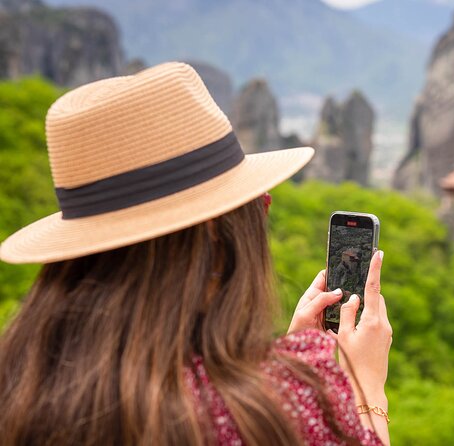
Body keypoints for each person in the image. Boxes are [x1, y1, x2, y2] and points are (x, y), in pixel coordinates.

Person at [0, 62, 392, 445]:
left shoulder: (19, 383)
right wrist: (363, 388)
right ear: (216, 238)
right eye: (258, 206)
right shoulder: (270, 408)